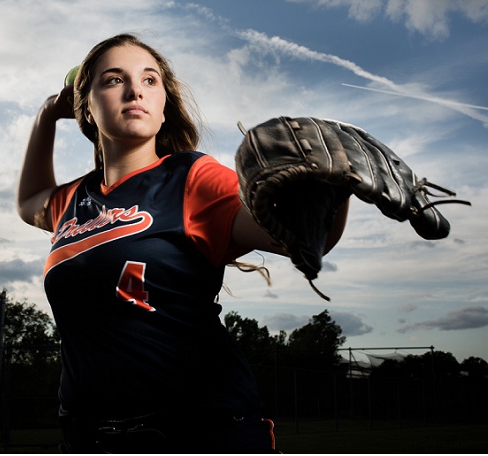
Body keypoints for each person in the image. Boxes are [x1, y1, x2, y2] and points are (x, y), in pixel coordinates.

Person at [17, 33, 349, 453]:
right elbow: (29, 201)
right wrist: (47, 114)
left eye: (150, 80)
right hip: (89, 438)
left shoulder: (192, 177)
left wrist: (335, 185)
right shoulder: (73, 200)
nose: (135, 89)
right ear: (86, 106)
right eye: (114, 79)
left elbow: (302, 234)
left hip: (201, 433)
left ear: (163, 108)